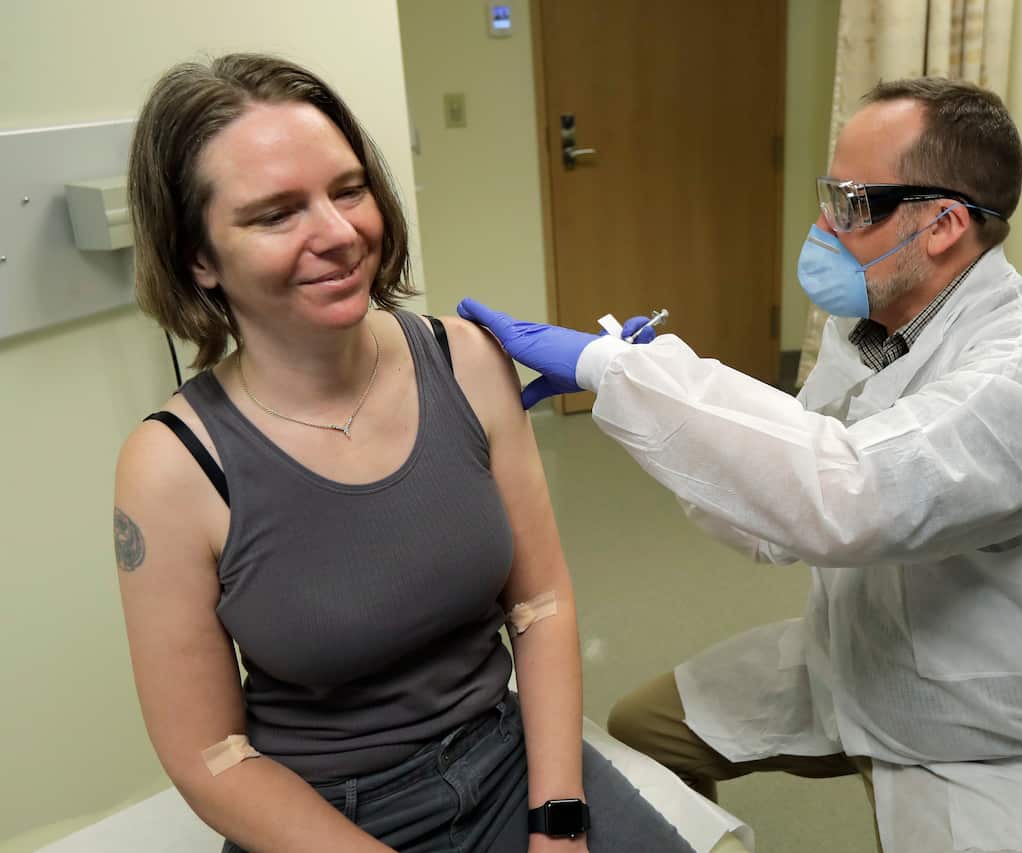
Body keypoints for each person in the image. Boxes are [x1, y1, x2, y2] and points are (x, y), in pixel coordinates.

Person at [458, 77, 1022, 852]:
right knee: (643, 730)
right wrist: (650, 392)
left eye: (852, 203)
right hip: (861, 656)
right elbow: (782, 515)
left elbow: (853, 493)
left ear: (944, 224)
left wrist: (614, 372)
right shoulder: (873, 329)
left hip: (1009, 735)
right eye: (830, 194)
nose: (823, 225)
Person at [113, 53, 693, 853]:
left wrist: (558, 822)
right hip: (326, 817)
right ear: (199, 258)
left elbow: (543, 603)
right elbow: (210, 757)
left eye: (348, 189)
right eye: (277, 213)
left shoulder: (467, 361)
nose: (341, 233)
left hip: (507, 762)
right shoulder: (172, 466)